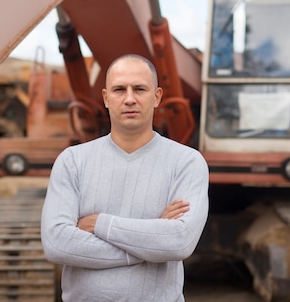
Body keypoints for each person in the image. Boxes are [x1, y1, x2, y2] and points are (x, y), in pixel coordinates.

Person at [41, 54, 209, 302]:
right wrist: (148, 245)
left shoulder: (186, 162)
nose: (130, 98)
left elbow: (178, 242)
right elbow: (56, 243)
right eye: (119, 89)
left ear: (157, 97)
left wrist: (100, 224)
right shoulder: (73, 161)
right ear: (106, 98)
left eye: (139, 89)